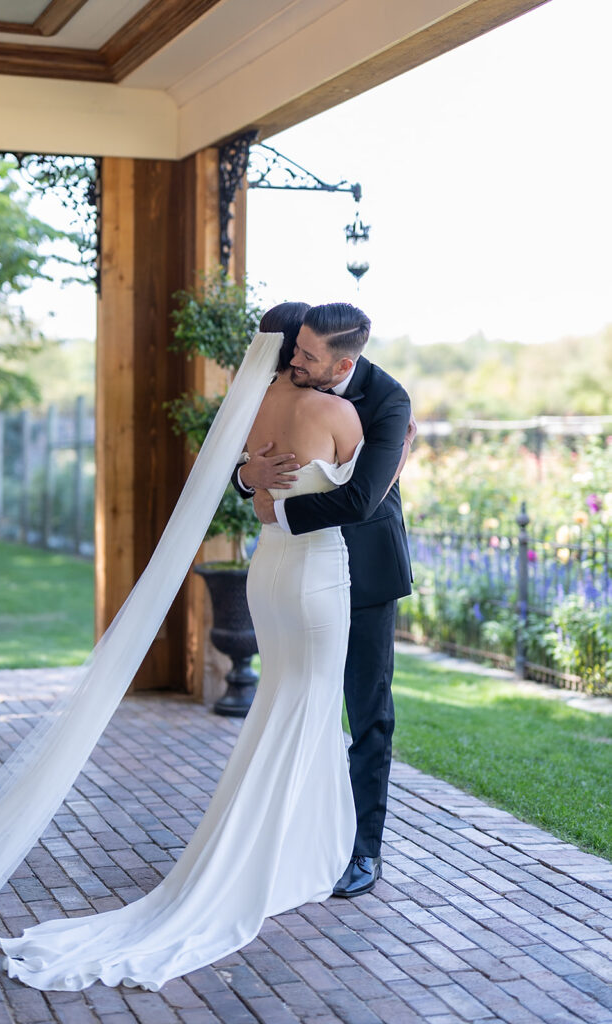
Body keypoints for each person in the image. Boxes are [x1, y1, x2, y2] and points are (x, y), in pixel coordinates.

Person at [0, 303, 379, 992]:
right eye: (304, 349)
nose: (304, 359)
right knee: (309, 710)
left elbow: (251, 490)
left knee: (283, 709)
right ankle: (275, 857)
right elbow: (367, 497)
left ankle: (287, 848)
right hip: (318, 579)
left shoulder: (259, 401)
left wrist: (254, 483)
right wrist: (399, 443)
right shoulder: (343, 417)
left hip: (269, 572)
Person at [239, 302, 415, 898]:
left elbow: (362, 500)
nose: (295, 359)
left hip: (361, 574)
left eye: (308, 355)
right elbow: (248, 453)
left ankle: (364, 851)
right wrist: (250, 477)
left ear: (343, 362)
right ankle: (288, 837)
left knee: (367, 714)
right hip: (300, 576)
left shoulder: (389, 403)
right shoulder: (293, 376)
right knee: (293, 699)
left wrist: (277, 510)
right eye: (297, 348)